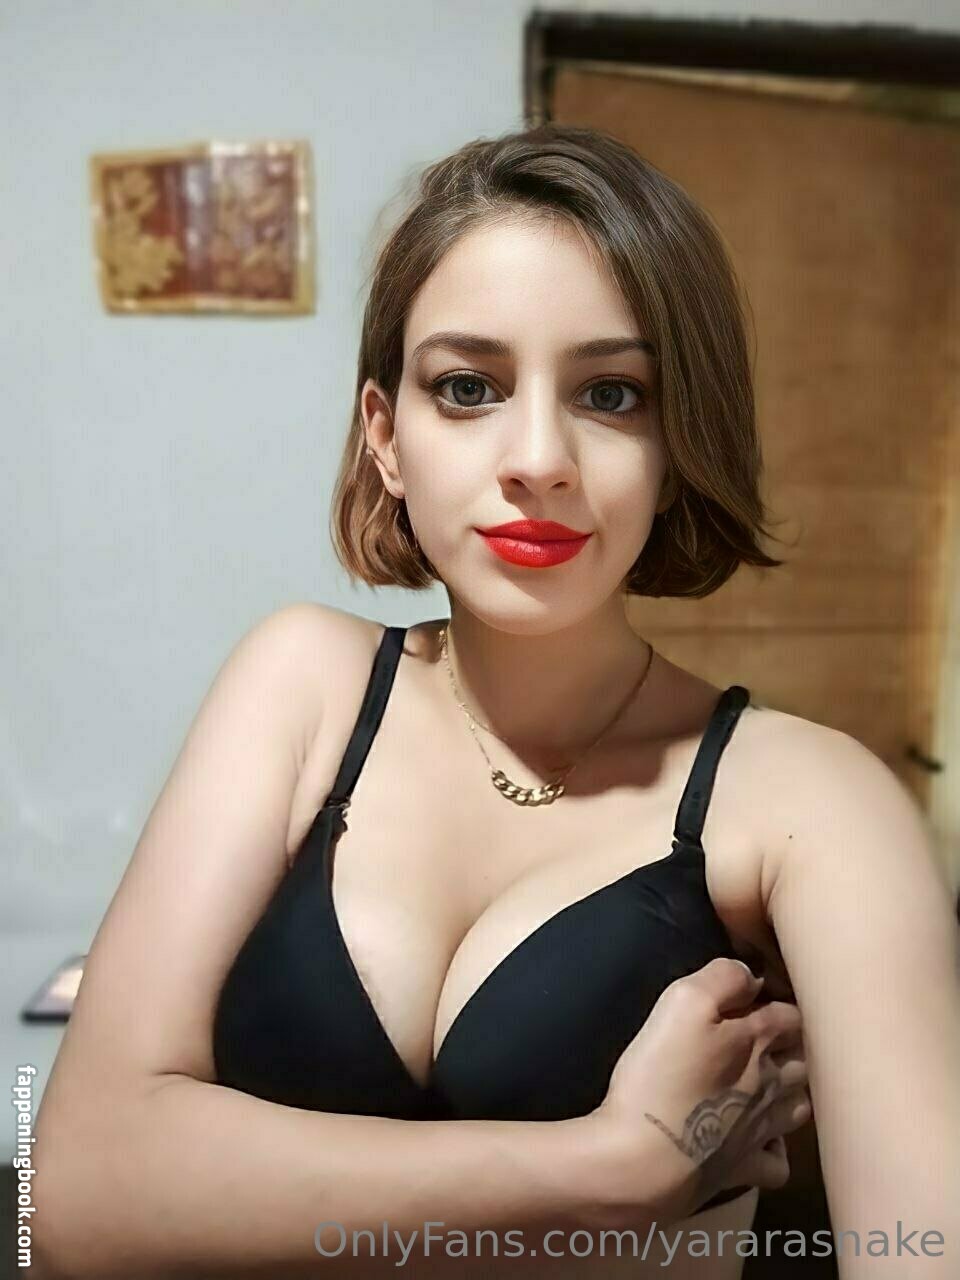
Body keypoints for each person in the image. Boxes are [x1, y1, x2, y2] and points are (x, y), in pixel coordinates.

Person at [32, 125, 957, 1279]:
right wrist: (611, 1164)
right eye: (468, 387)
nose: (537, 457)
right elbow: (72, 1190)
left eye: (611, 393)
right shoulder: (301, 683)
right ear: (386, 437)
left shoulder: (814, 802)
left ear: (678, 447)